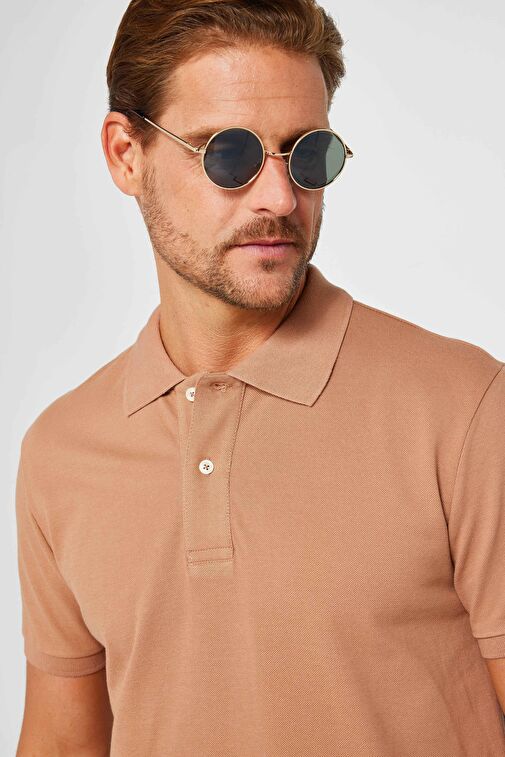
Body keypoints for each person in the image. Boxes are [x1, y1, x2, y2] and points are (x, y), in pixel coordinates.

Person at [14, 1, 505, 755]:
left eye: (307, 155)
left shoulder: (466, 410)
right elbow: (60, 742)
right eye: (229, 154)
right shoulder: (62, 452)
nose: (280, 198)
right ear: (126, 154)